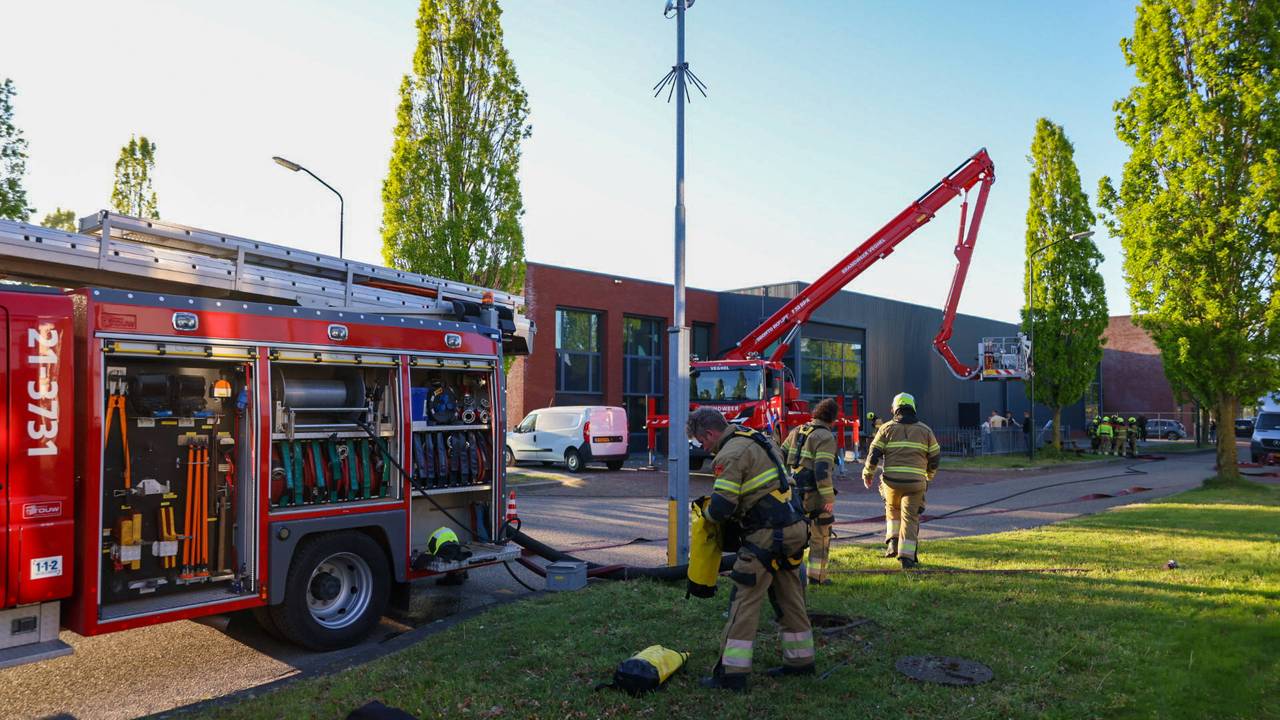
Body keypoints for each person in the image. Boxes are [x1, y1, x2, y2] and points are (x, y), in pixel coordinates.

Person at [686, 408, 813, 691]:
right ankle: (801, 661)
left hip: (766, 535)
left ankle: (731, 673)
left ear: (710, 433)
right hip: (794, 528)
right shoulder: (758, 438)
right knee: (789, 596)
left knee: (744, 600)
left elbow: (721, 508)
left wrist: (704, 515)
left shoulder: (729, 455)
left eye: (701, 441)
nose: (703, 448)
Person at [863, 392, 940, 568]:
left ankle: (892, 541)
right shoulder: (926, 430)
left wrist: (868, 474)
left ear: (894, 409)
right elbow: (935, 457)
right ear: (913, 408)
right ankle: (906, 558)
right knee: (910, 517)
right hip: (915, 483)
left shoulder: (886, 428)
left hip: (891, 482)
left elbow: (874, 454)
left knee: (892, 508)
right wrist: (929, 475)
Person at [782, 398, 838, 585]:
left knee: (794, 533)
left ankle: (788, 574)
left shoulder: (798, 430)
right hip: (814, 494)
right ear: (832, 419)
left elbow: (780, 455)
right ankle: (817, 577)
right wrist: (828, 498)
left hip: (793, 491)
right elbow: (822, 470)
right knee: (821, 534)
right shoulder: (825, 437)